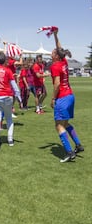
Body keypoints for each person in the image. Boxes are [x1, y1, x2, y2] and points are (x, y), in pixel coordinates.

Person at [50, 30, 83, 163]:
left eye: (53, 52)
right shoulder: (63, 62)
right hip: (70, 96)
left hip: (62, 97)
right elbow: (60, 48)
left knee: (59, 125)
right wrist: (55, 35)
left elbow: (57, 85)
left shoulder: (55, 66)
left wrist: (53, 98)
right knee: (66, 123)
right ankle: (78, 145)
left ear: (57, 56)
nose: (51, 53)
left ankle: (69, 152)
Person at [0, 52, 21, 151]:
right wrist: (19, 98)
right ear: (5, 60)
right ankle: (10, 140)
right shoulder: (8, 70)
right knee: (9, 118)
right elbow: (14, 86)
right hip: (7, 97)